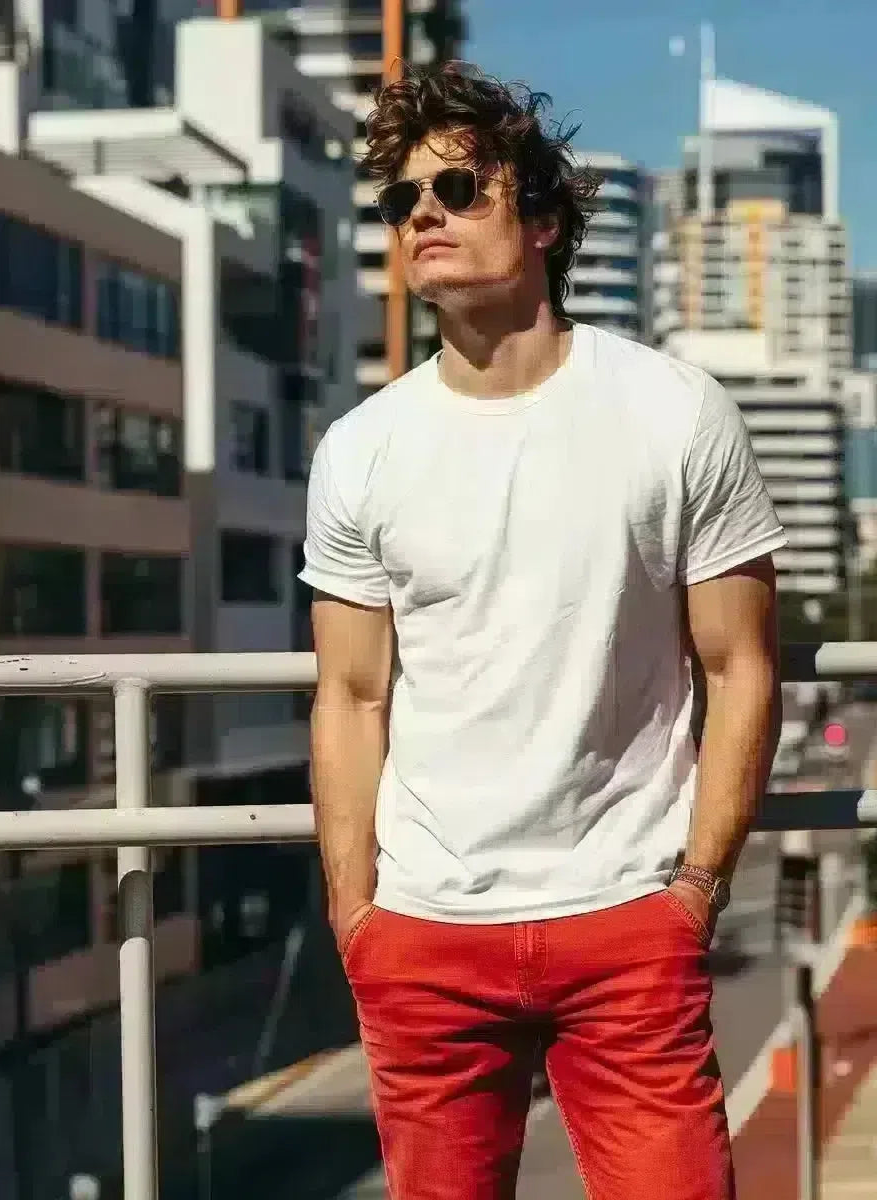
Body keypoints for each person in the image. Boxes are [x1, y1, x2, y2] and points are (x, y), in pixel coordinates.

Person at [298, 60, 786, 1200]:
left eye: (459, 187)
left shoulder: (674, 413)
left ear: (545, 220)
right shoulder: (361, 450)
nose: (423, 211)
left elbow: (741, 665)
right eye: (402, 199)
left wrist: (694, 894)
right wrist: (356, 915)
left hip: (627, 925)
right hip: (423, 938)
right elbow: (352, 696)